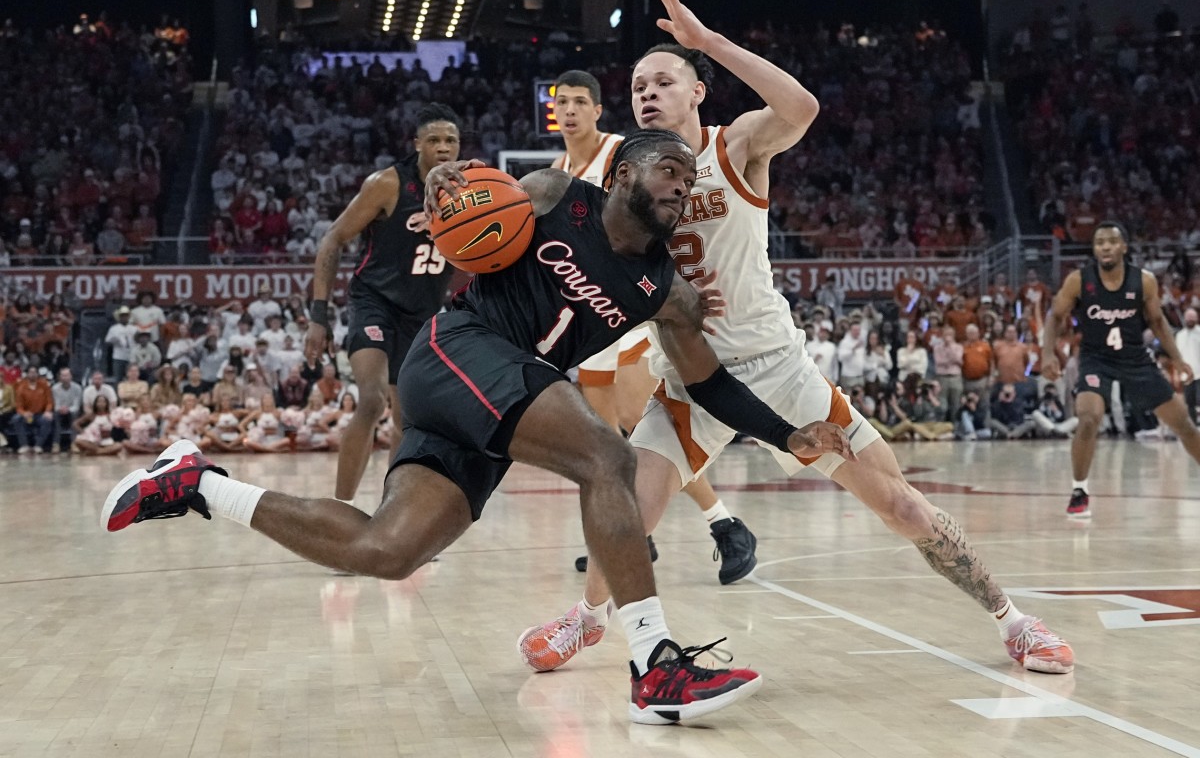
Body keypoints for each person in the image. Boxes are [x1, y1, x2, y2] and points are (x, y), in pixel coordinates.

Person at [102, 128, 852, 724]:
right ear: (623, 172)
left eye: (689, 183)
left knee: (387, 550)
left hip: (493, 398)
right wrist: (444, 186)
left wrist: (787, 435)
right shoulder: (560, 195)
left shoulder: (666, 291)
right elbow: (467, 196)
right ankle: (654, 664)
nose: (681, 189)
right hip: (458, 350)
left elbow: (708, 382)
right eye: (669, 173)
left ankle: (198, 484)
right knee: (609, 460)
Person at [519, 0, 1072, 678]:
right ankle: (585, 620)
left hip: (776, 367)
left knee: (901, 507)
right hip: (689, 379)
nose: (647, 93)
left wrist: (706, 41)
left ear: (697, 91)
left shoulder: (736, 145)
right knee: (629, 508)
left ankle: (1014, 622)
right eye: (637, 87)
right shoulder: (619, 181)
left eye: (664, 80)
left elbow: (802, 105)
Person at [553, 68, 756, 582]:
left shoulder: (628, 151)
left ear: (599, 110)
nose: (571, 110)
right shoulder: (560, 167)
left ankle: (724, 524)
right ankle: (636, 529)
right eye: (563, 101)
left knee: (642, 420)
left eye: (581, 101)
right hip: (593, 312)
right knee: (605, 438)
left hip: (638, 304)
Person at [305, 103, 462, 505]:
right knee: (372, 400)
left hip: (422, 313)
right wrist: (318, 317)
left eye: (451, 140)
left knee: (408, 420)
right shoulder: (388, 184)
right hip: (374, 301)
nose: (443, 147)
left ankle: (391, 517)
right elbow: (333, 239)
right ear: (417, 145)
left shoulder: (471, 190)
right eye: (434, 140)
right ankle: (339, 513)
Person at [1041, 222, 1200, 519]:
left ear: (1124, 247)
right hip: (1095, 359)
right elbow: (1055, 315)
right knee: (1088, 419)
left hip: (1135, 359)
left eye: (1112, 241)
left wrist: (1177, 358)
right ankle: (1079, 489)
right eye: (1100, 242)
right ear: (1094, 249)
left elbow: (1158, 322)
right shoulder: (1079, 280)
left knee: (1185, 425)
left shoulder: (1144, 281)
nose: (1105, 246)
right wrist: (1048, 353)